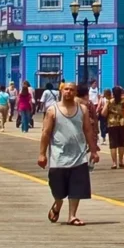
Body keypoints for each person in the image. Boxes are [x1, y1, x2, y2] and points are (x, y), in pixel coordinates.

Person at [38, 82, 99, 226]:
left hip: (79, 155)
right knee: (57, 188)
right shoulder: (52, 110)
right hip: (58, 156)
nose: (69, 92)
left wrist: (94, 150)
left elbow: (88, 130)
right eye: (66, 89)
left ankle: (72, 215)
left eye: (72, 90)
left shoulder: (82, 109)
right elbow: (46, 133)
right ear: (61, 91)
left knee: (76, 187)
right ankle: (58, 203)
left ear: (75, 92)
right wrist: (42, 154)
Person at [105, 86, 124, 169]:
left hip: (112, 123)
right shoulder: (123, 100)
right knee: (121, 142)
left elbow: (103, 113)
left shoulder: (110, 101)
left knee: (113, 144)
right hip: (122, 123)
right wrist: (123, 89)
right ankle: (121, 161)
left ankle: (114, 163)